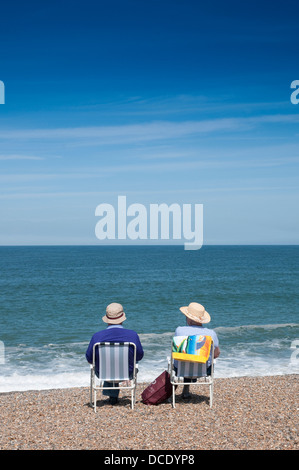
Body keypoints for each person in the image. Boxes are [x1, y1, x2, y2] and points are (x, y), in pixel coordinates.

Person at [85, 302, 144, 405]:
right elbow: (139, 355)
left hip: (103, 373)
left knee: (107, 363)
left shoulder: (97, 336)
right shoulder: (132, 335)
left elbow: (89, 358)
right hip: (127, 373)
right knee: (130, 358)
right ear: (122, 318)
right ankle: (114, 396)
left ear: (107, 319)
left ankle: (112, 396)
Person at [174, 302, 220, 398]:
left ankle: (185, 389)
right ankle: (186, 389)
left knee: (186, 357)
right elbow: (216, 354)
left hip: (181, 370)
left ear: (189, 319)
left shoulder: (179, 330)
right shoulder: (211, 334)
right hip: (204, 370)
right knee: (196, 358)